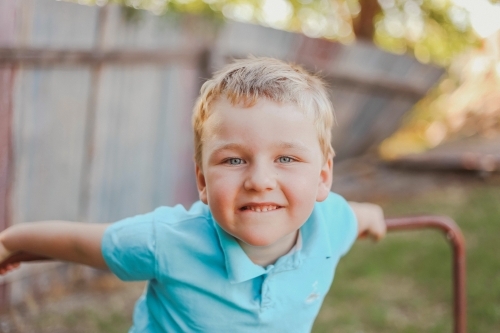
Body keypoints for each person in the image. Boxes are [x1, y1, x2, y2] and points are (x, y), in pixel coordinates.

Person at [0, 57, 386, 332]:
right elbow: (80, 244)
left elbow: (360, 215)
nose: (260, 180)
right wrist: (10, 241)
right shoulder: (168, 240)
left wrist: (373, 218)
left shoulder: (334, 221)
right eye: (234, 160)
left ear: (323, 176)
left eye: (286, 157)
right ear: (202, 180)